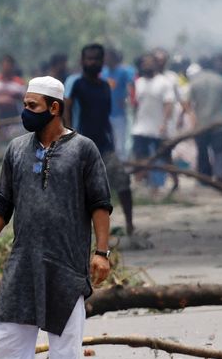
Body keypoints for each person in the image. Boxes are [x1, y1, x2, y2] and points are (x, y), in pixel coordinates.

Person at [0, 76, 112, 359]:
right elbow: (2, 202)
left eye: (32, 106)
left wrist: (101, 252)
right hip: (23, 260)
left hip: (66, 262)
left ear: (54, 108)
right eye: (24, 104)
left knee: (66, 342)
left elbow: (100, 204)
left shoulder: (84, 149)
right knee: (9, 336)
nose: (25, 112)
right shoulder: (17, 149)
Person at [65, 44, 135, 239]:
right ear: (82, 61)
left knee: (122, 180)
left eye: (96, 59)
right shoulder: (76, 84)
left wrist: (112, 140)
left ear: (102, 61)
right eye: (88, 58)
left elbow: (105, 117)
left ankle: (130, 224)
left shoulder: (105, 86)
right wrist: (69, 136)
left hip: (104, 145)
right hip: (79, 145)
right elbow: (67, 109)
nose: (92, 62)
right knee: (79, 189)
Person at [129, 54, 176, 190]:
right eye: (144, 64)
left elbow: (168, 104)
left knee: (164, 156)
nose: (147, 66)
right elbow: (136, 104)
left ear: (155, 65)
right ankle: (142, 182)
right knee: (140, 155)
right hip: (141, 127)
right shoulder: (139, 82)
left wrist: (164, 123)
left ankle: (175, 180)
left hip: (158, 127)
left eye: (150, 63)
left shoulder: (164, 82)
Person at [187, 58, 222, 181]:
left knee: (202, 151)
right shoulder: (221, 81)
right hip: (218, 123)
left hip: (201, 123)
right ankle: (219, 174)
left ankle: (204, 177)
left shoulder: (195, 82)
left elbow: (187, 102)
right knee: (220, 151)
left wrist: (192, 115)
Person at [104, 49, 134, 159]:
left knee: (120, 145)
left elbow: (131, 86)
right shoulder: (103, 72)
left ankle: (122, 168)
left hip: (119, 113)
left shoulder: (123, 72)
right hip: (105, 114)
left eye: (107, 57)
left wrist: (127, 100)